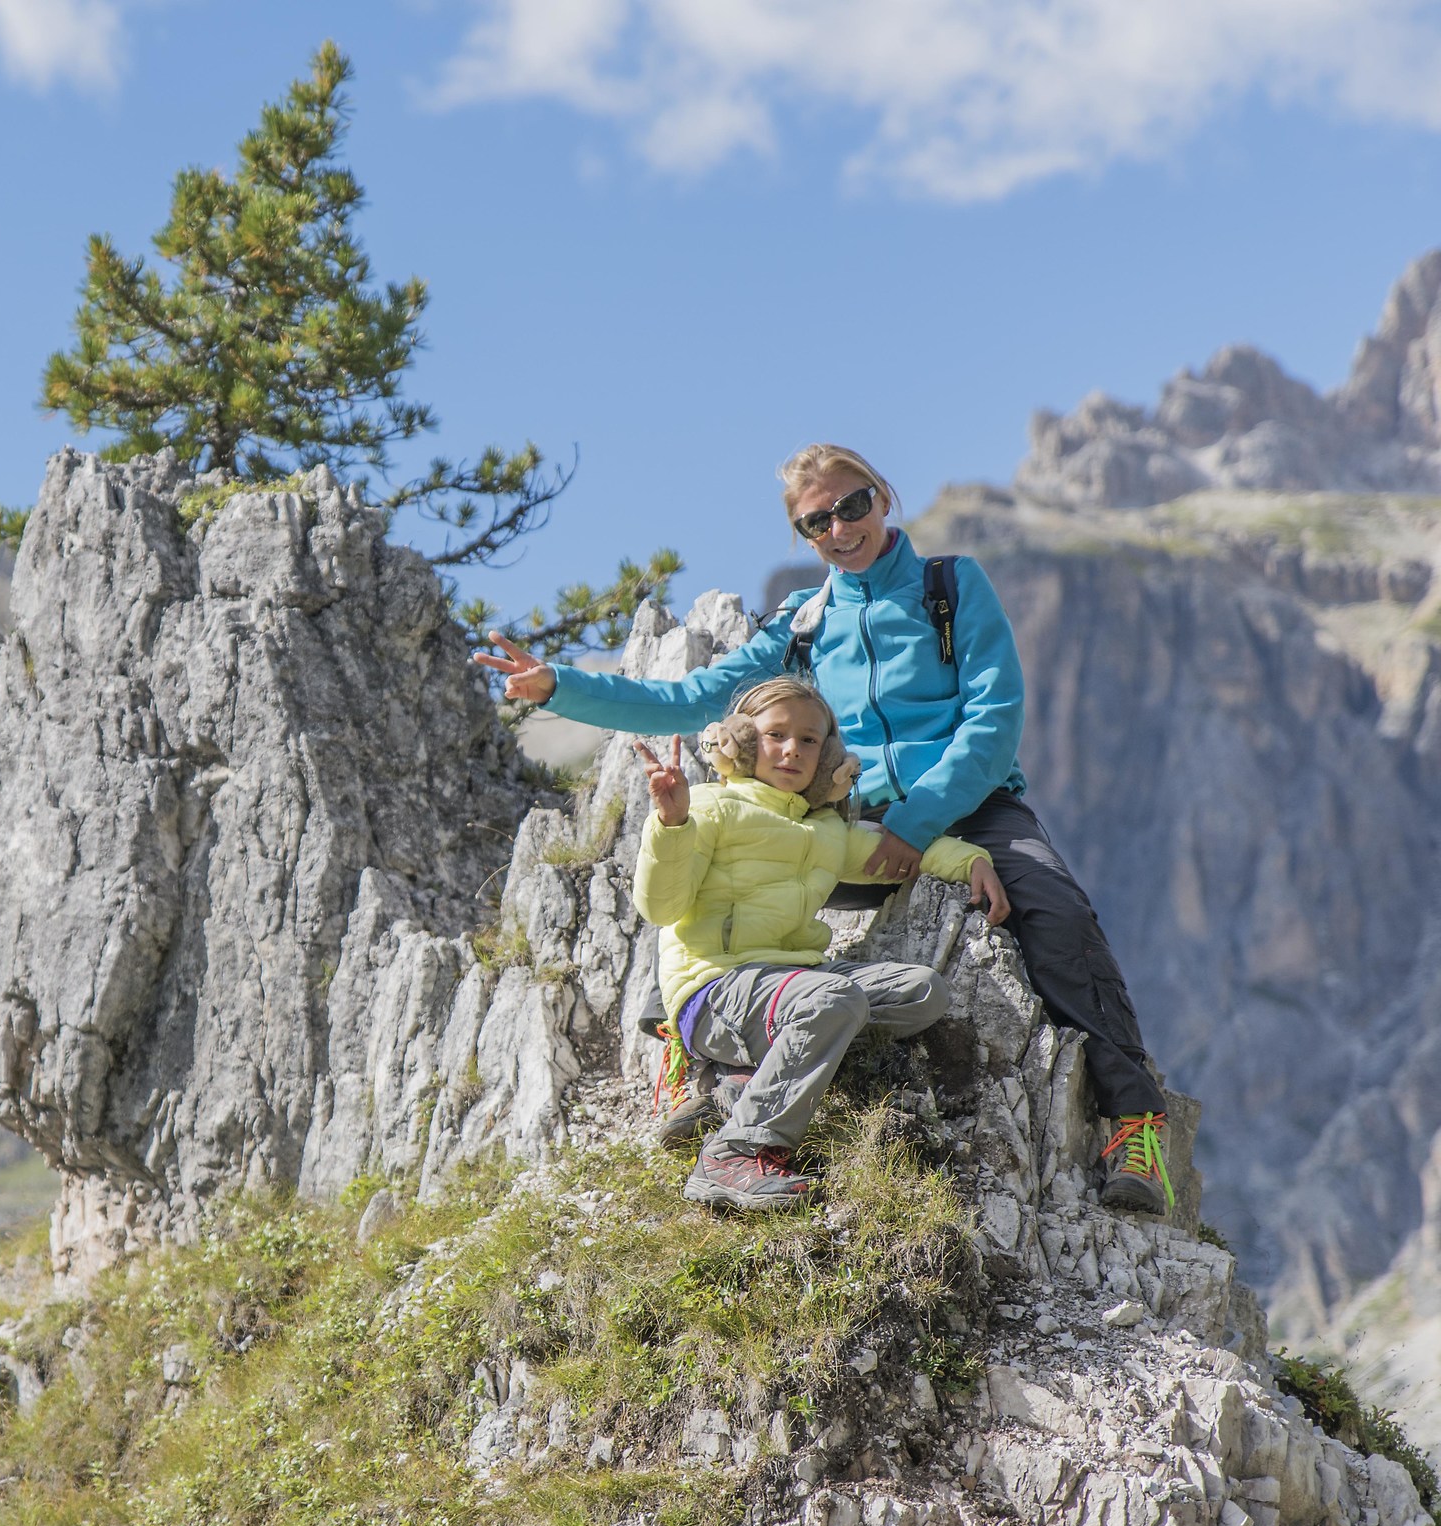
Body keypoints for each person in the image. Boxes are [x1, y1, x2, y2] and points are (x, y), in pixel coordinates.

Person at [474, 442, 1178, 1216]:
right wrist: (556, 686)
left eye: (853, 505)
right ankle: (692, 1040)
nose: (840, 529)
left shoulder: (951, 587)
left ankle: (1133, 1124)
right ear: (803, 536)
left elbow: (992, 723)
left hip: (968, 800)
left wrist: (915, 828)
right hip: (851, 818)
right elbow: (689, 702)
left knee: (1058, 913)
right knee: (718, 856)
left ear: (884, 498)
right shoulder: (802, 626)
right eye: (817, 522)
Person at [629, 677, 1005, 1210]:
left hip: (790, 983)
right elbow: (661, 908)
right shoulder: (710, 808)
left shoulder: (827, 830)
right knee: (833, 1002)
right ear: (739, 743)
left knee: (923, 992)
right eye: (775, 734)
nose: (792, 750)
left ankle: (738, 1085)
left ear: (829, 756)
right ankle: (735, 1153)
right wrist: (670, 823)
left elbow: (900, 851)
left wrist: (972, 861)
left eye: (810, 740)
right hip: (715, 989)